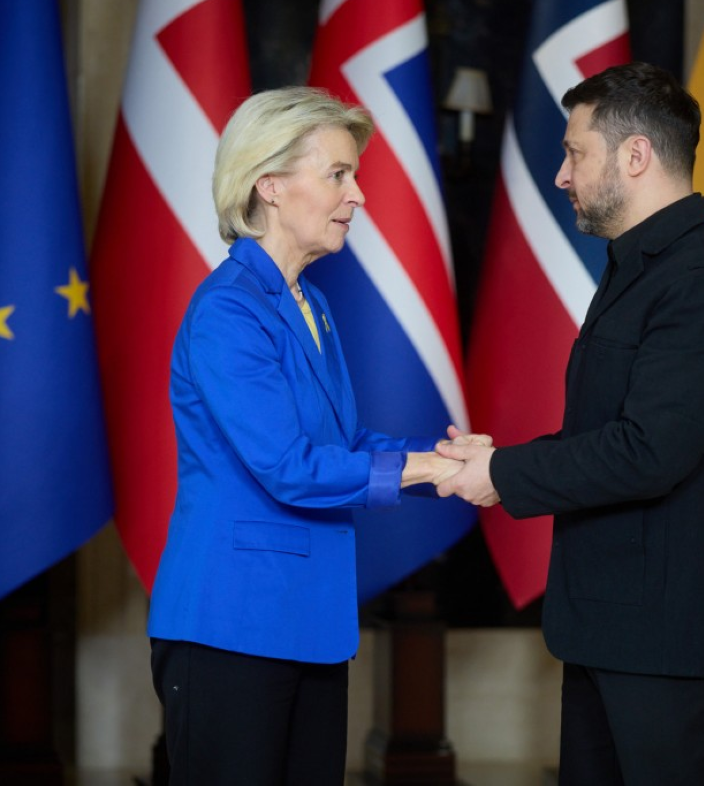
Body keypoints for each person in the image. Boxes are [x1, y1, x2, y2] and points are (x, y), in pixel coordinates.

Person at [437, 62, 704, 785]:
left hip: (671, 645)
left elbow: (649, 452)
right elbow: (612, 430)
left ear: (636, 156)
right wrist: (501, 464)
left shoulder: (701, 280)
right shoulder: (642, 270)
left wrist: (502, 475)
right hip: (613, 633)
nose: (562, 174)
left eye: (574, 152)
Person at [147, 86, 476, 785]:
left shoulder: (311, 303)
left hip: (309, 623)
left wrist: (451, 462)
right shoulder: (228, 313)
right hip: (231, 623)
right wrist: (422, 470)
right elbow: (290, 467)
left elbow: (347, 441)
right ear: (268, 185)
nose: (357, 195)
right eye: (338, 175)